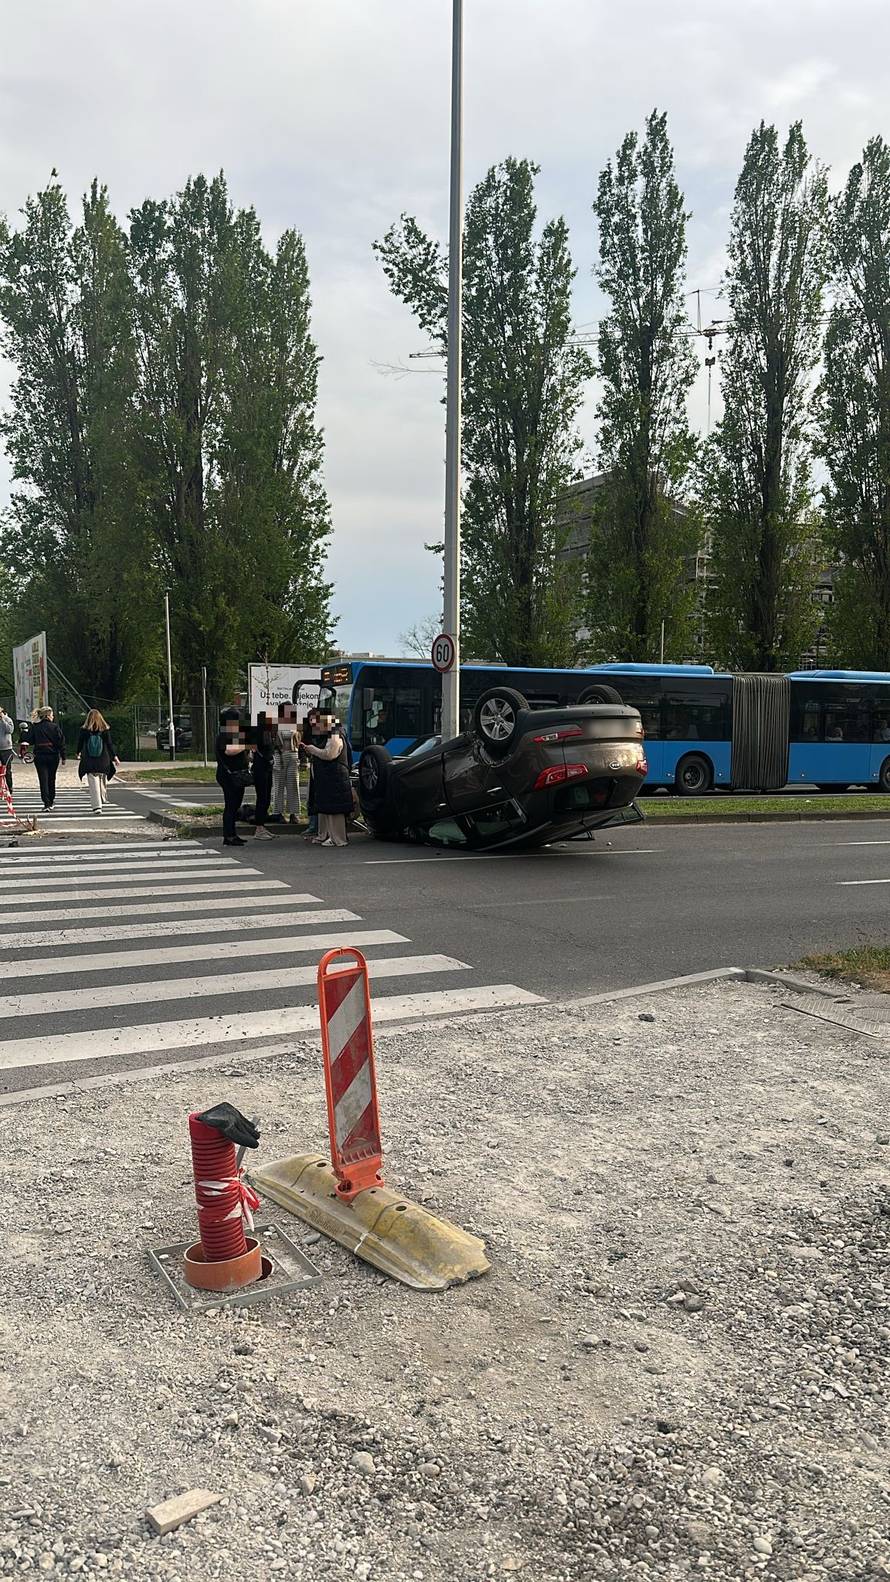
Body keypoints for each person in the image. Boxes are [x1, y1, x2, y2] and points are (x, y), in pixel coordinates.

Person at [301, 713, 353, 847]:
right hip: (328, 776)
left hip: (335, 776)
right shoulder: (328, 735)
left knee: (334, 809)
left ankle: (337, 837)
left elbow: (330, 754)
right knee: (325, 807)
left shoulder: (336, 735)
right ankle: (325, 834)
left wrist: (313, 750)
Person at [215, 708, 249, 846]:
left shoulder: (233, 734)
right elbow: (229, 751)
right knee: (231, 805)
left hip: (236, 775)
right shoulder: (224, 735)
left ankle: (233, 834)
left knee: (235, 805)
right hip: (229, 776)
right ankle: (228, 836)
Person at [77, 710, 120, 813]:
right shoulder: (105, 730)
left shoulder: (84, 730)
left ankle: (97, 806)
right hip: (103, 759)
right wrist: (115, 757)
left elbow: (80, 743)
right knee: (102, 778)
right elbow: (109, 744)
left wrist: (78, 752)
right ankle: (102, 797)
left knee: (93, 783)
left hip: (89, 760)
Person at [30, 705, 66, 810]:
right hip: (53, 755)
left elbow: (30, 740)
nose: (53, 717)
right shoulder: (55, 727)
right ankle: (51, 799)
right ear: (48, 716)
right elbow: (61, 742)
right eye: (52, 715)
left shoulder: (36, 727)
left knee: (43, 779)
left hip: (40, 755)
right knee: (51, 778)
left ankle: (46, 802)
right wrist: (63, 756)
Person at [271, 703, 302, 824]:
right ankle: (278, 813)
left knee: (293, 785)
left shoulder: (296, 724)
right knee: (278, 785)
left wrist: (303, 759)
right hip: (279, 755)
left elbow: (300, 741)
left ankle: (294, 813)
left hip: (293, 755)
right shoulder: (275, 724)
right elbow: (272, 740)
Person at [249, 711, 276, 840]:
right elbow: (259, 749)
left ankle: (262, 825)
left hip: (267, 768)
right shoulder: (261, 733)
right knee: (262, 797)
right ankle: (259, 828)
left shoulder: (268, 734)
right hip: (261, 768)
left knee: (266, 797)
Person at [0, 706, 15, 798]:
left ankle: (9, 787)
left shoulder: (8, 720)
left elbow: (10, 730)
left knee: (7, 770)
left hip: (6, 749)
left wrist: (3, 720)